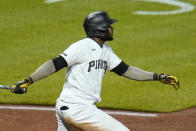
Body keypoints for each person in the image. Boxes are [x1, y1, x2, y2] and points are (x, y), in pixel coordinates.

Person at [12, 11, 179, 131]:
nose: (111, 29)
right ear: (99, 29)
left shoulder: (105, 50)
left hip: (69, 108)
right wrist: (29, 80)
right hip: (78, 109)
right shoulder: (82, 46)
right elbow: (53, 64)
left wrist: (157, 77)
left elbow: (126, 70)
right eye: (108, 26)